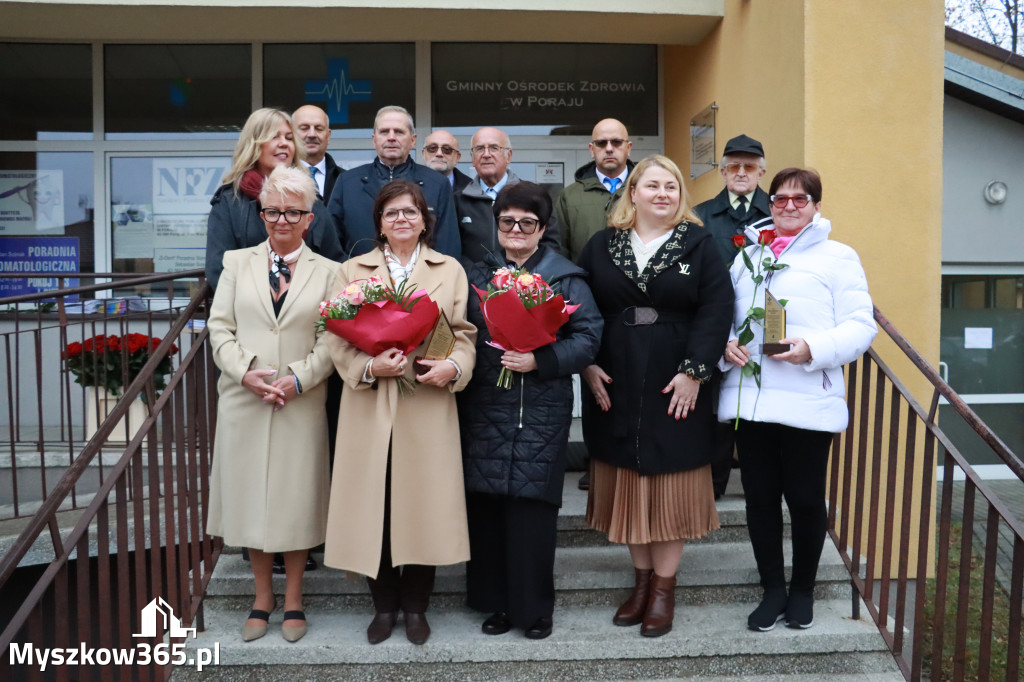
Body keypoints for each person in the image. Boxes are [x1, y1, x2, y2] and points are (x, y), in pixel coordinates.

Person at [577, 155, 733, 638]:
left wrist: (696, 372)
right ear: (633, 193)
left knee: (669, 485)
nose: (662, 193)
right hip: (615, 373)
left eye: (671, 186)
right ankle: (641, 584)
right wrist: (586, 363)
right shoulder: (602, 245)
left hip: (674, 376)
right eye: (652, 185)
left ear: (680, 195)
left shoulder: (699, 242)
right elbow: (580, 307)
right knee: (628, 483)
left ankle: (664, 590)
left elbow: (717, 308)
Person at [719, 168, 876, 632]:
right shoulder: (747, 258)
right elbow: (725, 316)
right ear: (770, 204)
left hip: (808, 397)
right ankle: (772, 590)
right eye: (781, 198)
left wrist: (814, 349)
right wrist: (724, 346)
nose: (789, 206)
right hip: (752, 398)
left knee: (805, 498)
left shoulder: (838, 257)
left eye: (800, 199)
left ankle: (803, 590)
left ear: (816, 206)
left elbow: (859, 325)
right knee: (760, 499)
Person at [324, 180, 476, 646]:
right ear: (380, 224)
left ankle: (415, 607)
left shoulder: (448, 269)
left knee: (423, 506)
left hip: (426, 401)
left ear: (425, 220)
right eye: (391, 214)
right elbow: (335, 337)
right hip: (370, 402)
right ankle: (384, 605)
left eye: (410, 212)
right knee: (376, 505)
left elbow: (463, 332)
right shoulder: (352, 269)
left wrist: (452, 365)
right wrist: (369, 364)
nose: (402, 220)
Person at [459, 182, 602, 641]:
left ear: (542, 228)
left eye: (527, 223)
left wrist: (540, 360)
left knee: (531, 513)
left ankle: (534, 609)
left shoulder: (564, 276)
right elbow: (459, 331)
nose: (516, 230)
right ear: (496, 225)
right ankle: (496, 603)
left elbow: (588, 337)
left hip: (539, 407)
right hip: (485, 404)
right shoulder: (477, 275)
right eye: (507, 222)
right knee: (488, 509)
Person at [206, 166, 340, 644]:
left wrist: (299, 377)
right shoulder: (236, 262)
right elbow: (218, 328)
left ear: (309, 218)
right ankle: (262, 597)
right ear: (261, 214)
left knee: (295, 500)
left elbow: (334, 340)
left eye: (292, 212)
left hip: (299, 402)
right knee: (250, 501)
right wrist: (245, 371)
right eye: (272, 211)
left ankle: (297, 598)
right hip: (245, 398)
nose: (281, 221)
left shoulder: (331, 272)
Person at [693, 133, 772, 500]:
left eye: (750, 167)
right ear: (723, 171)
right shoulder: (702, 215)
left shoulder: (776, 213)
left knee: (761, 404)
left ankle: (762, 487)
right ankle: (713, 489)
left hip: (763, 325)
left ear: (761, 171)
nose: (742, 173)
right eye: (735, 166)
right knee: (716, 410)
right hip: (716, 325)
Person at [205, 107, 344, 291]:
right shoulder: (230, 201)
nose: (284, 143)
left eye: (288, 138)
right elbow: (218, 271)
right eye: (274, 137)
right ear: (254, 144)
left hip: (310, 313)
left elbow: (334, 262)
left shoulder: (312, 200)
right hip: (251, 313)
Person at [326, 105, 461, 259]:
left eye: (399, 132)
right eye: (384, 132)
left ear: (412, 140)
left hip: (423, 281)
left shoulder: (437, 184)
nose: (391, 137)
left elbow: (448, 247)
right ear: (374, 140)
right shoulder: (347, 183)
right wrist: (354, 275)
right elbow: (332, 243)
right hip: (359, 279)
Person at [454, 127, 560, 264]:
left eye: (494, 148)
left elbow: (551, 246)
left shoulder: (534, 197)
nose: (486, 154)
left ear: (508, 156)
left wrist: (526, 279)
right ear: (473, 158)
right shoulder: (457, 200)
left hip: (523, 282)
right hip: (473, 282)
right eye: (479, 149)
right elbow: (452, 248)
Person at [555, 118, 634, 264]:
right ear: (592, 150)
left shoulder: (646, 191)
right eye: (601, 143)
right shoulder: (569, 196)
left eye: (616, 142)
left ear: (628, 148)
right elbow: (559, 250)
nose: (609, 148)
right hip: (584, 284)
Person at [293, 104, 343, 201]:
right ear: (291, 133)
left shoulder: (346, 180)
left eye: (318, 129)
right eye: (304, 128)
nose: (312, 134)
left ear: (328, 136)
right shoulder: (278, 177)